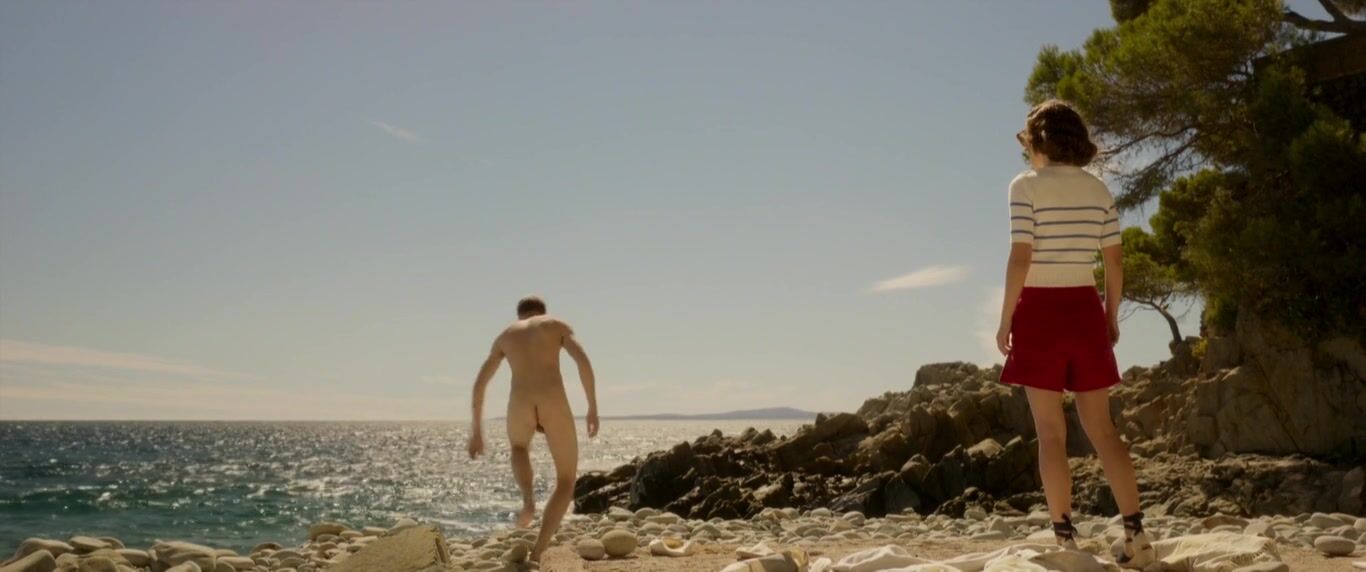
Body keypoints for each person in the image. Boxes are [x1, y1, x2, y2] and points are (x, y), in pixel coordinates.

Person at [995, 100, 1154, 568]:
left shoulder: (1024, 186)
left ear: (1038, 141)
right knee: (1103, 429)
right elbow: (1114, 261)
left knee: (1050, 433)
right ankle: (1137, 534)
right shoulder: (1098, 188)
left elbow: (1021, 257)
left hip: (1039, 312)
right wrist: (1110, 314)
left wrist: (1005, 319)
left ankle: (1066, 540)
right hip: (1085, 310)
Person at [467, 295, 600, 563]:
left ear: (520, 316)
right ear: (542, 312)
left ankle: (528, 499)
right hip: (553, 400)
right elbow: (582, 361)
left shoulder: (506, 335)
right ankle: (538, 551)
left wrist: (477, 430)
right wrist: (592, 407)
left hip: (520, 402)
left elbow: (480, 383)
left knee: (518, 447)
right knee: (566, 480)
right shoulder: (555, 325)